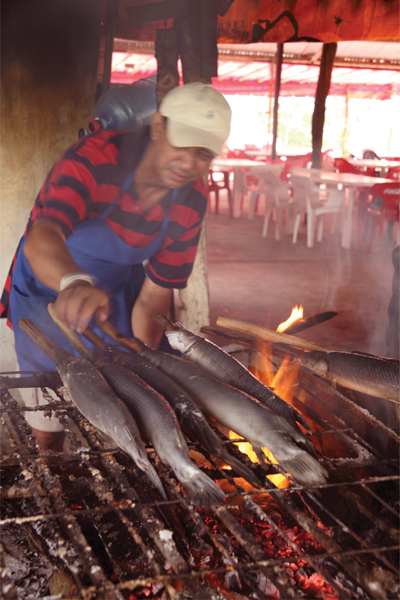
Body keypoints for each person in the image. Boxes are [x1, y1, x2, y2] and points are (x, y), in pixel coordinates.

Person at [0, 82, 232, 452]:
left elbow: (155, 293)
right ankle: (50, 456)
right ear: (158, 126)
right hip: (49, 283)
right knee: (48, 393)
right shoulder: (95, 158)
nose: (188, 163)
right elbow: (43, 236)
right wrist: (73, 282)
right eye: (181, 144)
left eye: (203, 154)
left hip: (116, 292)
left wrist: (142, 359)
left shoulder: (191, 200)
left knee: (128, 388)